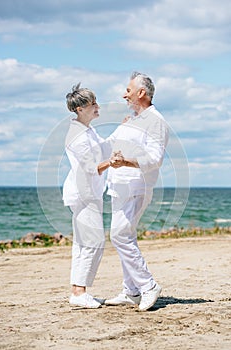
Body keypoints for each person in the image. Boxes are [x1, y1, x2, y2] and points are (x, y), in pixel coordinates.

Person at [104, 72, 169, 311]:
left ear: (141, 93)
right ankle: (131, 291)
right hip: (118, 186)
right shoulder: (131, 120)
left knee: (120, 236)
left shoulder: (156, 121)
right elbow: (109, 146)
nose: (124, 94)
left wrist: (127, 162)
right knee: (125, 237)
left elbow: (155, 158)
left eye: (128, 90)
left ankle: (148, 286)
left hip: (136, 186)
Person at [62, 83, 110, 309]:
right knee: (93, 241)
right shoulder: (78, 136)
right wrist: (111, 163)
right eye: (93, 104)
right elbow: (91, 167)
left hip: (91, 192)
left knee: (85, 241)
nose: (97, 106)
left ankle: (78, 291)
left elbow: (104, 148)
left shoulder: (88, 131)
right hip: (83, 193)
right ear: (80, 109)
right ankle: (79, 292)